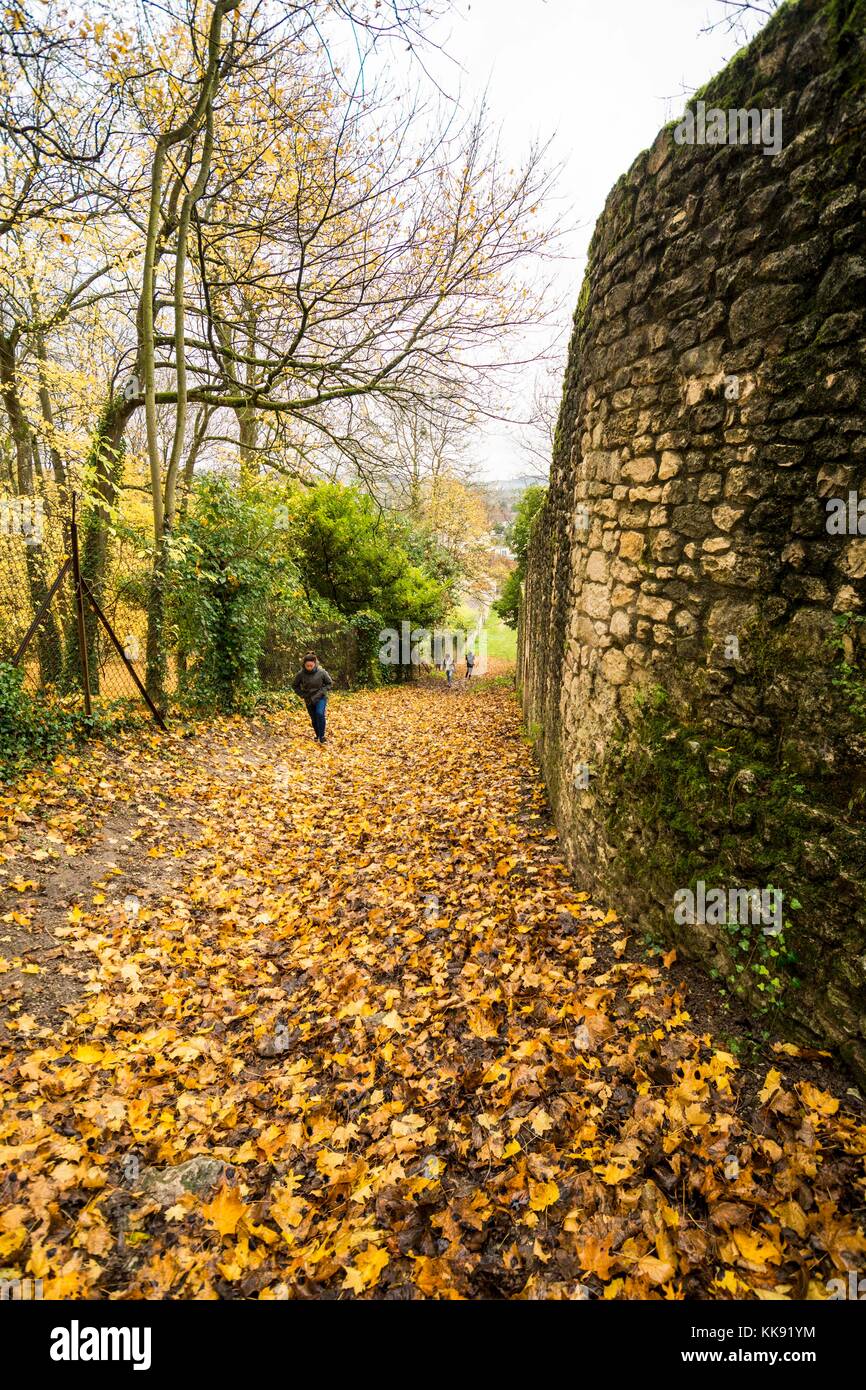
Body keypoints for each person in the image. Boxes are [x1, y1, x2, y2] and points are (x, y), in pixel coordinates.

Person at [292, 651, 333, 744]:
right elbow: (294, 686)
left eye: (311, 666)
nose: (309, 668)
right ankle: (317, 735)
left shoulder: (322, 672)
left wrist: (322, 692)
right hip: (309, 698)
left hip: (320, 697)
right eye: (307, 666)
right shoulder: (301, 674)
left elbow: (329, 683)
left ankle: (322, 737)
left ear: (315, 664)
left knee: (319, 714)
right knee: (314, 718)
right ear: (304, 665)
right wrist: (302, 694)